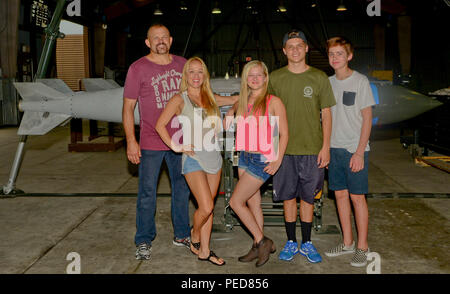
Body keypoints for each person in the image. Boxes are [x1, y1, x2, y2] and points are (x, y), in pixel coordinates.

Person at [156, 57, 235, 266]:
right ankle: (194, 233)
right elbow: (160, 125)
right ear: (186, 75)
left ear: (205, 75)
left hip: (214, 158)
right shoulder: (179, 99)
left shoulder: (211, 98)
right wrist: (176, 146)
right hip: (193, 159)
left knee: (207, 209)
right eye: (192, 71)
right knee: (206, 205)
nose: (196, 76)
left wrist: (235, 109)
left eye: (200, 71)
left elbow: (238, 99)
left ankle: (205, 251)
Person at [122, 24, 191, 260]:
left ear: (170, 40)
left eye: (164, 37)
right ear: (148, 42)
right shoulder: (138, 68)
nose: (160, 41)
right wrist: (131, 141)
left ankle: (182, 234)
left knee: (182, 189)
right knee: (147, 193)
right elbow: (128, 107)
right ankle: (143, 239)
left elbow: (197, 97)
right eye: (155, 38)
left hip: (180, 140)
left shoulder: (183, 65)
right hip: (151, 140)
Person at [268, 29, 336, 264]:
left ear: (307, 48)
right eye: (291, 46)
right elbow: (264, 112)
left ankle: (306, 243)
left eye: (300, 45)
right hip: (283, 151)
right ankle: (290, 241)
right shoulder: (275, 78)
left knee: (308, 198)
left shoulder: (319, 77)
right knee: (288, 197)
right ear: (284, 50)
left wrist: (325, 146)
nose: (295, 49)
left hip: (311, 149)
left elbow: (326, 115)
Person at [227, 60, 289, 267]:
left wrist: (277, 159)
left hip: (262, 159)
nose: (254, 79)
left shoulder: (273, 101)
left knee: (235, 202)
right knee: (253, 203)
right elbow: (234, 107)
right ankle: (256, 244)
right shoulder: (244, 99)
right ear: (245, 79)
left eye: (258, 75)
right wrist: (229, 112)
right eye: (250, 75)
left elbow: (285, 134)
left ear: (265, 77)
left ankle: (263, 241)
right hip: (244, 156)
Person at [324, 36, 375, 267]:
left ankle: (362, 247)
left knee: (357, 198)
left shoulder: (360, 81)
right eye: (332, 54)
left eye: (340, 54)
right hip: (334, 149)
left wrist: (358, 152)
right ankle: (347, 243)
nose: (335, 58)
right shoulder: (327, 83)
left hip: (355, 149)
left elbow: (367, 118)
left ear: (349, 56)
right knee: (340, 196)